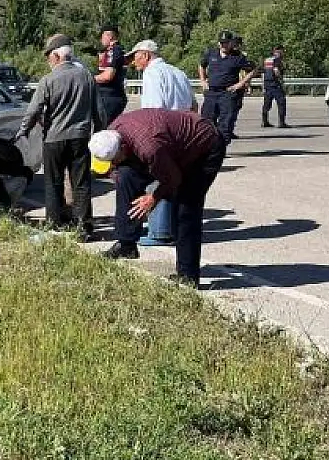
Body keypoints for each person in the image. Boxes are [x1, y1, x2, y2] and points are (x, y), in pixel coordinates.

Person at [89, 109, 226, 288]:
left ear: (122, 148)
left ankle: (188, 275)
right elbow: (117, 167)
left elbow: (173, 179)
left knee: (185, 208)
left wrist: (153, 197)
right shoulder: (111, 133)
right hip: (170, 148)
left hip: (204, 148)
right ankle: (126, 244)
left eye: (114, 160)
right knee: (126, 177)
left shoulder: (149, 148)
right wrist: (115, 174)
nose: (112, 165)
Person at [14, 35, 105, 238]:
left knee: (53, 183)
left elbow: (33, 110)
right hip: (80, 138)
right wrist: (99, 132)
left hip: (54, 138)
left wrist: (23, 131)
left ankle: (54, 224)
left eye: (49, 57)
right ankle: (84, 228)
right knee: (80, 183)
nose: (48, 61)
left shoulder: (49, 80)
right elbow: (99, 110)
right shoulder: (87, 77)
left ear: (56, 55)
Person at [126, 40, 197, 247]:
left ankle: (160, 231)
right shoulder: (178, 72)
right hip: (184, 131)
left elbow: (153, 110)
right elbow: (193, 104)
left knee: (159, 178)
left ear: (146, 55)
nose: (133, 62)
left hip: (163, 132)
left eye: (135, 57)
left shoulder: (152, 74)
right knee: (177, 180)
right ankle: (172, 227)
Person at [198, 30, 256, 143]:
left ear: (231, 43)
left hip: (227, 94)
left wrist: (240, 84)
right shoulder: (211, 53)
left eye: (226, 42)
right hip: (211, 93)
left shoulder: (238, 56)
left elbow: (252, 70)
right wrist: (203, 80)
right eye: (222, 42)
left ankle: (221, 148)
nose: (224, 45)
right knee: (207, 121)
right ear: (218, 43)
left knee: (226, 123)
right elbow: (202, 65)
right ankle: (209, 147)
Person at [95, 26, 127, 124]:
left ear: (109, 36)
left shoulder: (114, 50)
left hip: (109, 97)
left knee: (103, 130)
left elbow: (108, 76)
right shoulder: (113, 51)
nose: (101, 40)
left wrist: (88, 78)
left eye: (102, 37)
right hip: (112, 96)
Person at [262, 45, 289, 128]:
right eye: (282, 51)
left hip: (267, 84)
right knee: (281, 102)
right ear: (278, 51)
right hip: (275, 84)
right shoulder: (277, 60)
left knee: (267, 104)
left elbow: (263, 72)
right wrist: (280, 79)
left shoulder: (266, 60)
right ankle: (281, 123)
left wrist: (263, 85)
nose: (283, 53)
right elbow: (276, 70)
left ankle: (264, 121)